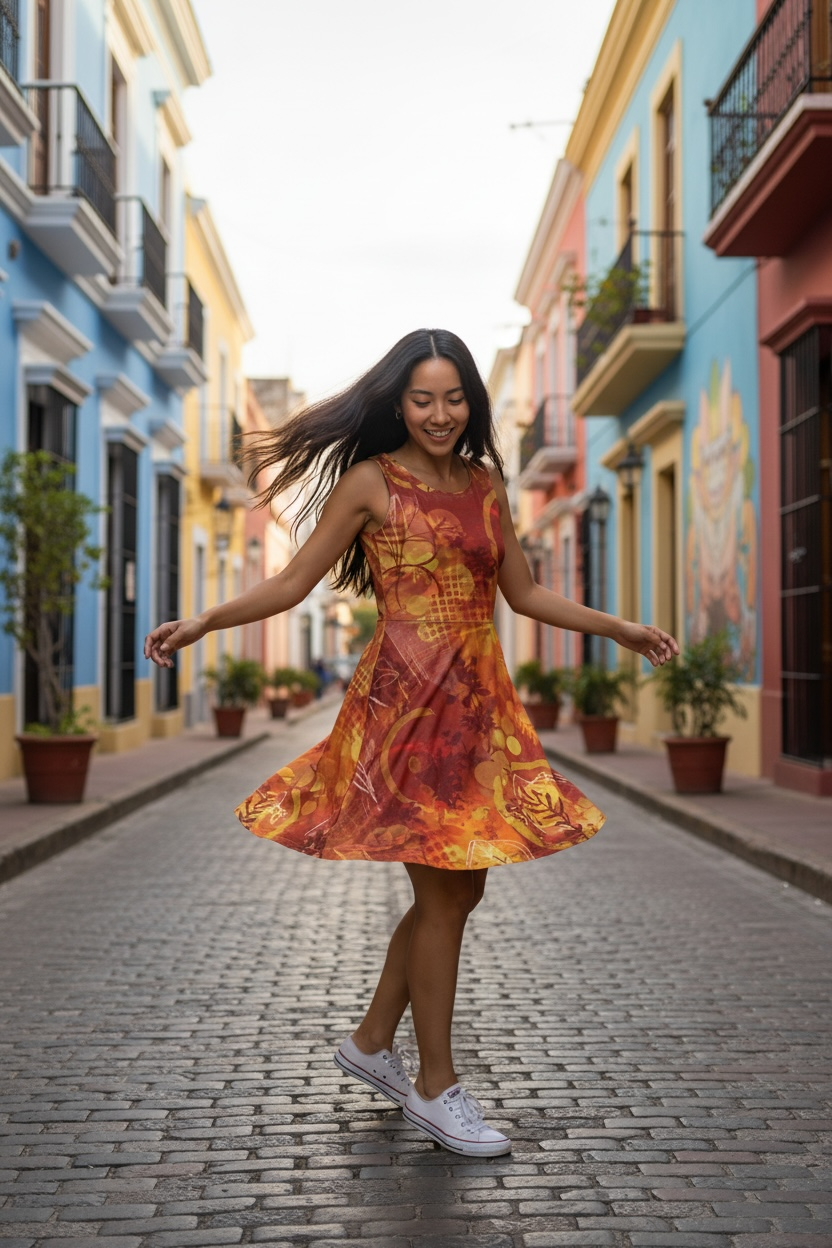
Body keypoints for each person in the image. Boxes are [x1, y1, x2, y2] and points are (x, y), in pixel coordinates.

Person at [145, 328, 678, 1158]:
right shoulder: (370, 481)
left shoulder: (490, 485)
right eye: (422, 398)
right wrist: (205, 620)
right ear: (399, 401)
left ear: (472, 402)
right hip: (404, 711)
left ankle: (368, 1042)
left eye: (453, 397)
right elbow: (292, 582)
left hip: (477, 708)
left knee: (461, 895)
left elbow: (527, 595)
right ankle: (436, 1086)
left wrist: (622, 628)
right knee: (444, 900)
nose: (439, 413)